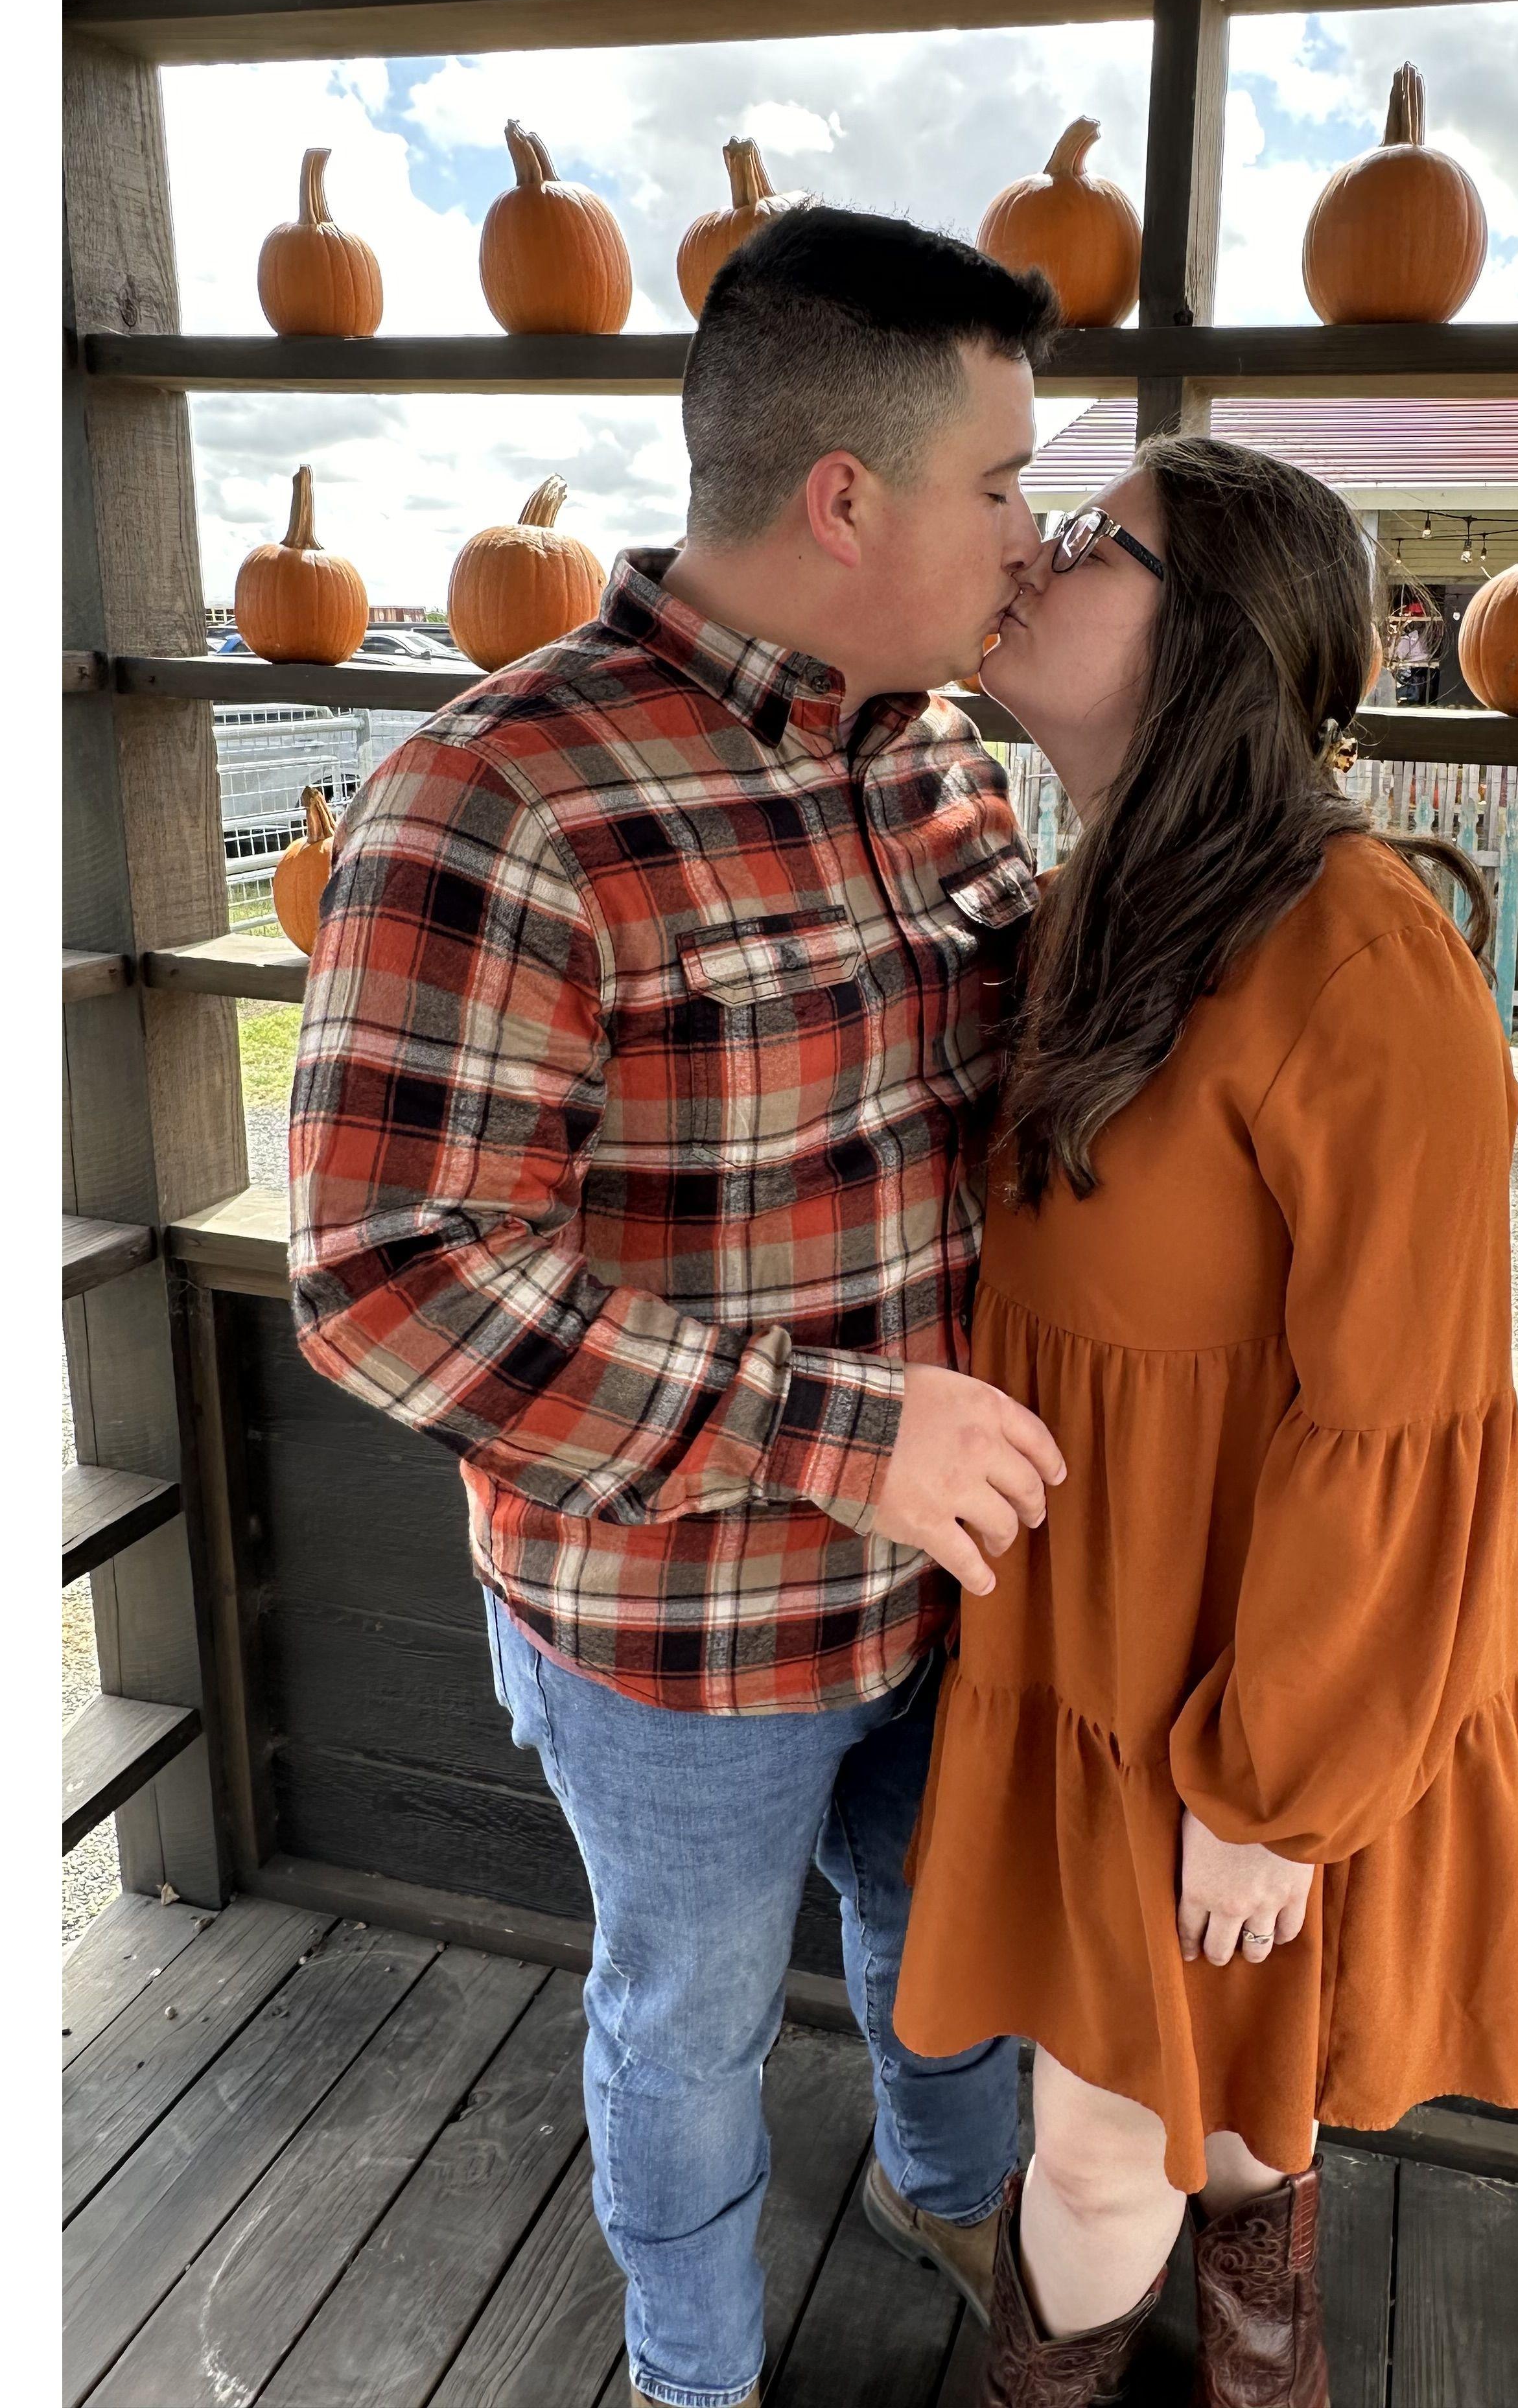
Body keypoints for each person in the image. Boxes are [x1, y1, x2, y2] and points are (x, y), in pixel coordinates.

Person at [286, 208, 1071, 2408]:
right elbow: (388, 1283)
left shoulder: (941, 758)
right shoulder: (501, 794)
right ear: (848, 499)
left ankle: (954, 2197)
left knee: (948, 1939)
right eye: (1004, 484)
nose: (1032, 535)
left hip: (962, 1572)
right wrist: (843, 1434)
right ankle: (694, 2369)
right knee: (688, 2025)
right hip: (676, 1631)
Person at [892, 438, 1518, 2402]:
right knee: (1227, 2114)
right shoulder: (1098, 899)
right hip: (1089, 1640)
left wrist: (1273, 1788)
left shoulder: (1362, 959)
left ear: (1215, 639)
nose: (1036, 555)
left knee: (1112, 2146)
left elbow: (1409, 1419)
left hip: (1241, 1685)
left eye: (1094, 541)